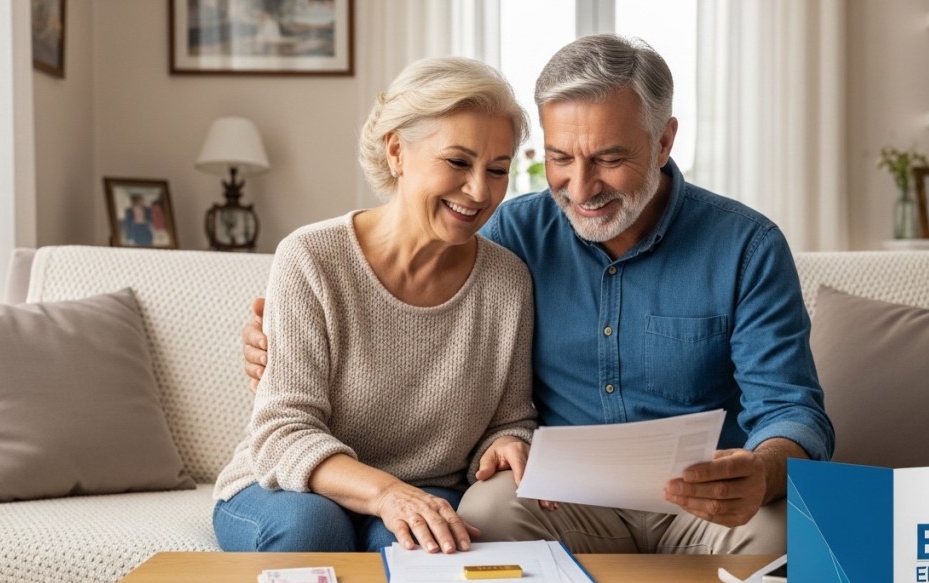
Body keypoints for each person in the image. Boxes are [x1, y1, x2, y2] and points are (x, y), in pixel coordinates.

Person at [243, 35, 834, 555]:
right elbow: (406, 321)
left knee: (784, 538)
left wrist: (761, 471)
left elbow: (791, 409)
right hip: (562, 500)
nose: (581, 188)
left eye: (609, 158)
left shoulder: (746, 245)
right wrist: (271, 347)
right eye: (559, 158)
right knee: (482, 517)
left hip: (700, 502)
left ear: (663, 141)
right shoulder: (509, 234)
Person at [213, 57, 538, 555]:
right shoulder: (312, 258)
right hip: (291, 487)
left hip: (425, 489)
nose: (479, 191)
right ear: (397, 152)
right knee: (313, 530)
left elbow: (510, 418)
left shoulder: (507, 281)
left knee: (414, 546)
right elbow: (282, 433)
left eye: (497, 170)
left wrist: (508, 443)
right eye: (457, 162)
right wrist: (385, 492)